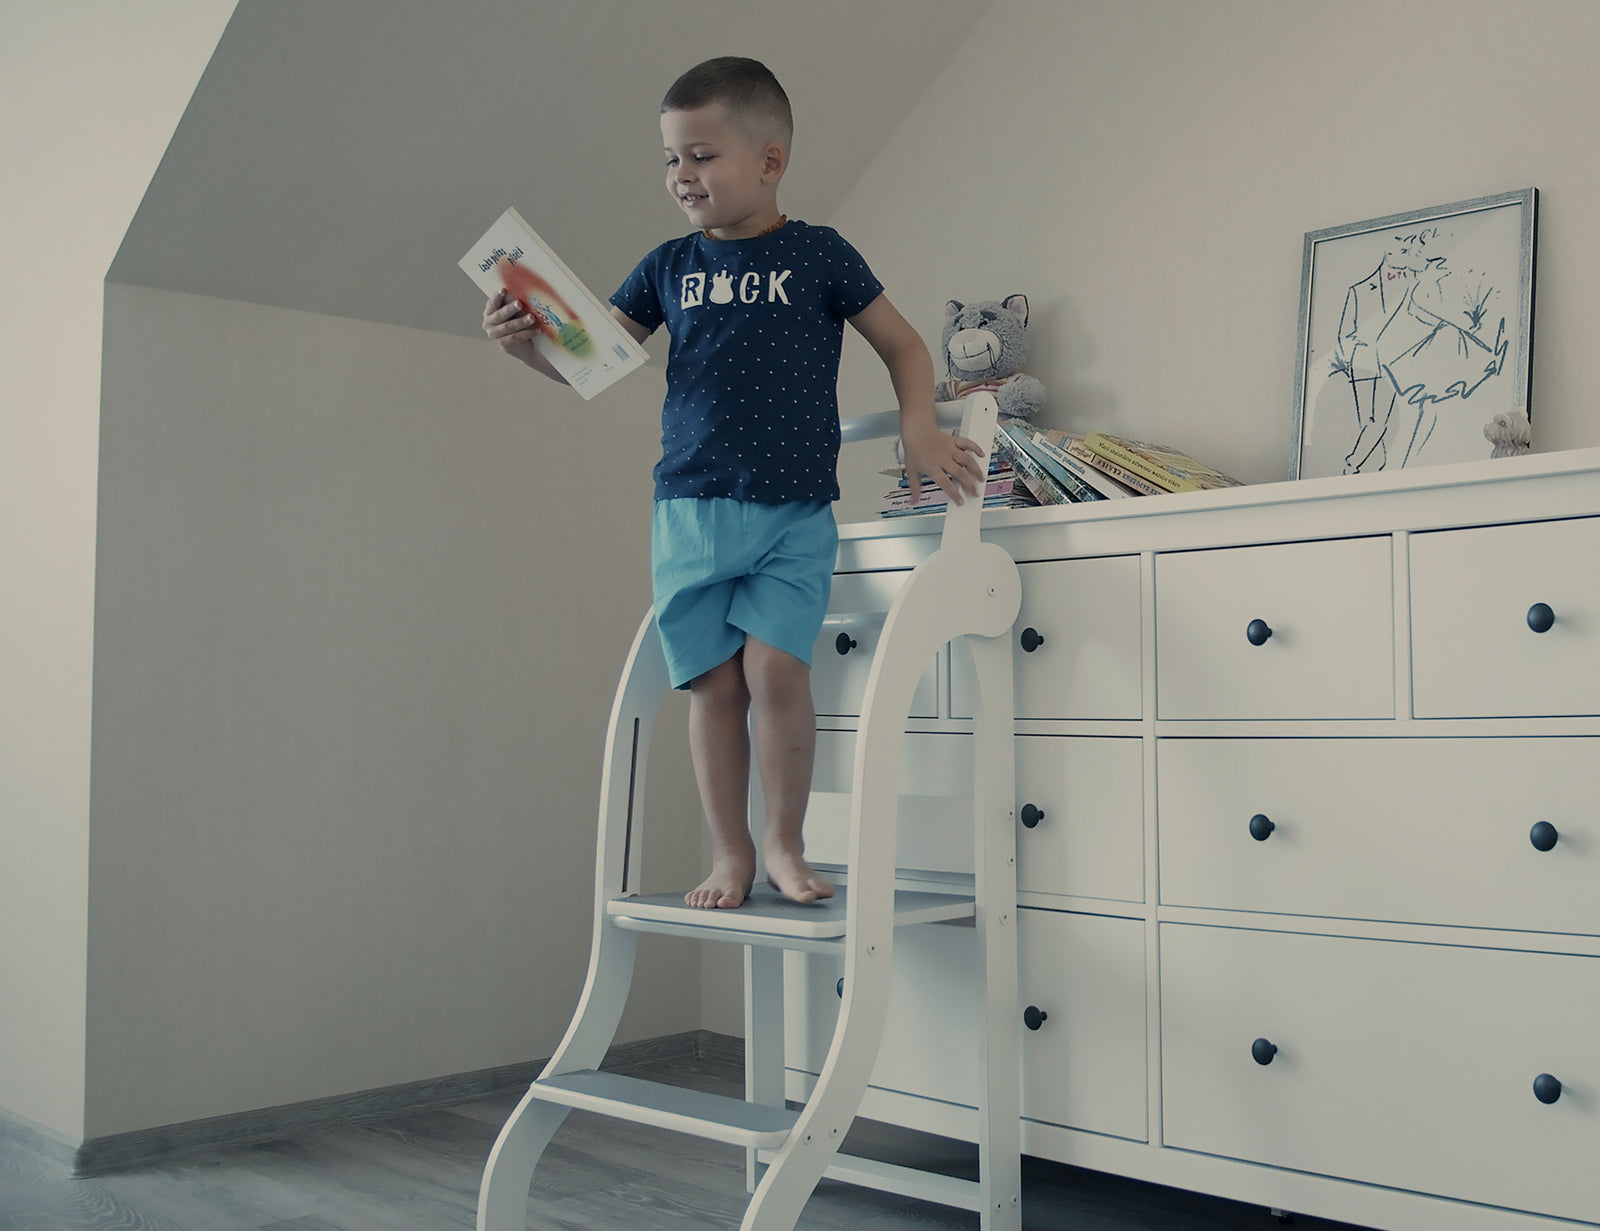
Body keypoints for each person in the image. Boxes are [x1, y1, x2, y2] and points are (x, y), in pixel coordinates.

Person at [482, 56, 983, 910]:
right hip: (690, 508)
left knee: (777, 674)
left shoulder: (820, 254)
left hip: (793, 512)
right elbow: (589, 366)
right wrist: (525, 345)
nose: (682, 176)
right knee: (712, 685)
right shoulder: (666, 264)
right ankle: (731, 853)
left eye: (702, 156)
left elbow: (903, 345)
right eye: (672, 158)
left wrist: (919, 426)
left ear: (770, 160)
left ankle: (787, 843)